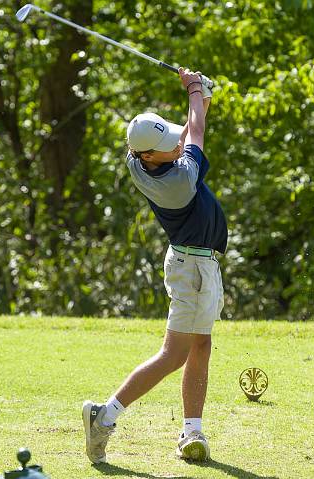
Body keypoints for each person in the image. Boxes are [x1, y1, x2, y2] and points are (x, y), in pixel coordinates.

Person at [82, 68, 227, 463]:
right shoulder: (177, 180)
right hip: (192, 268)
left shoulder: (143, 158)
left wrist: (202, 96)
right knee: (173, 354)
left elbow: (187, 129)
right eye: (165, 143)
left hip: (199, 266)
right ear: (149, 155)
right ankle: (104, 416)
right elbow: (194, 133)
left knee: (201, 343)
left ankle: (192, 432)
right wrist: (195, 88)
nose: (174, 142)